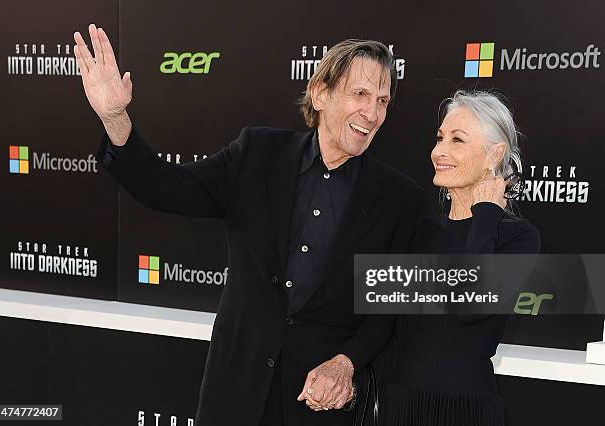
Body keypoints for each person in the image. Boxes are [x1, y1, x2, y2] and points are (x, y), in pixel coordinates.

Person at [73, 24, 422, 426]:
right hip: (234, 392)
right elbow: (167, 188)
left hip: (317, 405)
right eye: (360, 94)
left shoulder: (399, 199)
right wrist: (116, 118)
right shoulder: (256, 154)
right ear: (321, 93)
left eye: (382, 100)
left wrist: (346, 363)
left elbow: (388, 314)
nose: (373, 113)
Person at [373, 90, 541, 426]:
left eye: (457, 140)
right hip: (399, 408)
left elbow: (471, 308)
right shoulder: (418, 232)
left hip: (467, 413)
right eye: (440, 138)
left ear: (495, 154)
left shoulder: (518, 238)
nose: (439, 151)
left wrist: (487, 214)